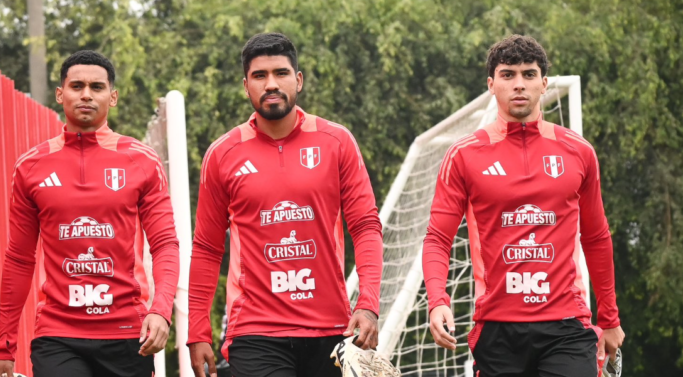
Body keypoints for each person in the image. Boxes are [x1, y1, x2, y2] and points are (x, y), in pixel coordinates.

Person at [423, 35, 624, 377]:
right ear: (491, 84)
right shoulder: (464, 155)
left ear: (544, 84)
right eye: (508, 75)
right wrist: (437, 300)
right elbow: (438, 238)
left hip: (567, 325)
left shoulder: (579, 151)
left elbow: (596, 236)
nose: (519, 84)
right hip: (497, 329)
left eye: (529, 74)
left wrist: (609, 318)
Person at [187, 33, 383, 377]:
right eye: (260, 76)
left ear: (299, 80)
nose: (271, 84)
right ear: (246, 85)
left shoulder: (337, 142)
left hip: (332, 328)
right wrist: (197, 329)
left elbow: (366, 226)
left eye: (281, 73)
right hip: (255, 330)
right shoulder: (222, 154)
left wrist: (367, 305)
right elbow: (206, 247)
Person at [0, 50, 180, 377]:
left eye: (97, 87)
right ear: (61, 94)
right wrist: (4, 346)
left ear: (113, 96)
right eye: (77, 86)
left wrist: (161, 311)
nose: (87, 94)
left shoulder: (141, 161)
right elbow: (20, 258)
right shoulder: (31, 167)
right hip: (58, 334)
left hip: (126, 334)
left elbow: (165, 244)